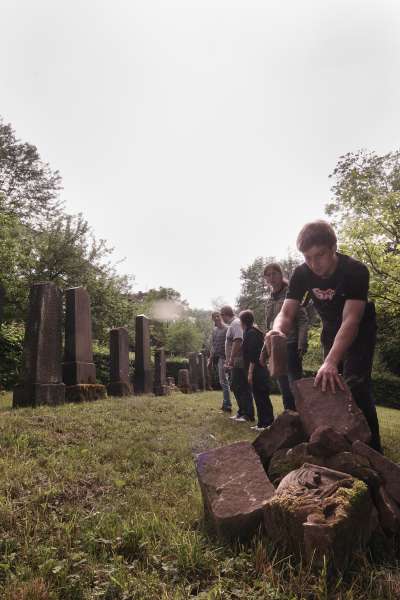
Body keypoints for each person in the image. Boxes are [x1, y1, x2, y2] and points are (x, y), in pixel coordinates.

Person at [265, 220, 382, 453]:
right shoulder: (302, 273)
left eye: (319, 256)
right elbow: (287, 313)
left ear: (333, 248)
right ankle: (340, 445)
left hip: (359, 328)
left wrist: (330, 361)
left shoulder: (355, 271)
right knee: (330, 384)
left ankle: (374, 451)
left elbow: (351, 320)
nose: (313, 264)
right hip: (330, 328)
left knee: (356, 385)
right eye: (307, 257)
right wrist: (277, 329)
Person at [261, 262, 309, 410]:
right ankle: (289, 419)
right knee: (283, 386)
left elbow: (303, 320)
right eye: (268, 275)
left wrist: (302, 343)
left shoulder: (291, 294)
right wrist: (264, 351)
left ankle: (303, 418)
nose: (271, 277)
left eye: (274, 273)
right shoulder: (269, 300)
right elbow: (269, 328)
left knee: (295, 385)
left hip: (292, 344)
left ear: (281, 275)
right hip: (275, 347)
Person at [240, 309, 274, 430]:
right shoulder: (252, 331)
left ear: (242, 321)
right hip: (258, 370)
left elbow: (253, 355)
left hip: (257, 371)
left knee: (261, 397)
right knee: (260, 397)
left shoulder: (251, 333)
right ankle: (263, 423)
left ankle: (267, 423)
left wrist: (250, 372)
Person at [220, 305, 255, 422]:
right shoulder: (233, 324)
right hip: (235, 360)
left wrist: (231, 358)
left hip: (239, 360)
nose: (221, 318)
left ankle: (248, 414)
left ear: (225, 315)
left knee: (242, 387)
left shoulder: (235, 323)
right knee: (236, 386)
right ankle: (241, 412)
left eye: (221, 315)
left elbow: (238, 340)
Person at [208, 311, 232, 412]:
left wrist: (229, 359)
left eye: (218, 316)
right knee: (223, 381)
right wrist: (210, 359)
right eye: (214, 317)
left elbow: (231, 343)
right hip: (218, 358)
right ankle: (226, 403)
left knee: (224, 381)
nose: (216, 319)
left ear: (221, 317)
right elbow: (213, 346)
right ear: (213, 319)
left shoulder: (227, 328)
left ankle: (227, 405)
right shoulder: (214, 330)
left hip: (226, 358)